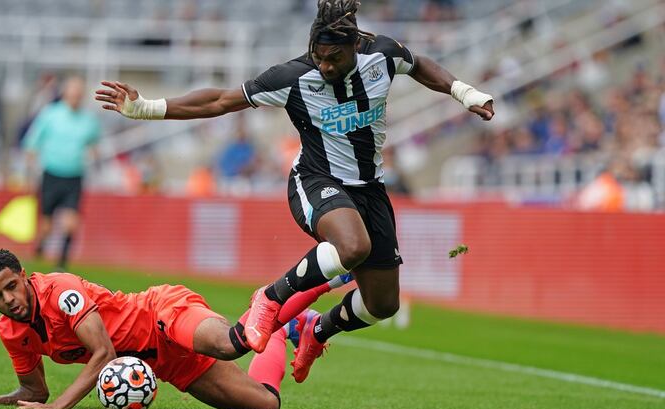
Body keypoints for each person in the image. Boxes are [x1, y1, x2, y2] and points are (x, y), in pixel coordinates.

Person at [95, 0, 494, 382]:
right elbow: (219, 100)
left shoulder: (383, 56)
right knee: (353, 247)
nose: (324, 65)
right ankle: (270, 298)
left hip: (370, 188)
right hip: (316, 180)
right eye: (318, 56)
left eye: (333, 58)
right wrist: (145, 108)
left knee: (383, 305)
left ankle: (316, 332)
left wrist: (463, 92)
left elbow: (420, 64)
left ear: (355, 46)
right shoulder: (293, 77)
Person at [0, 249, 349, 409]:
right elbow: (34, 393)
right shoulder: (12, 332)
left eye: (11, 287)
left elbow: (103, 353)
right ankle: (287, 327)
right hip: (165, 365)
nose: (8, 300)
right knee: (267, 405)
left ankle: (316, 280)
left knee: (231, 344)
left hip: (162, 313)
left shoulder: (60, 291)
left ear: (23, 276)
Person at [23, 76, 101, 271]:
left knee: (70, 222)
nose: (75, 96)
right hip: (52, 173)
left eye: (79, 93)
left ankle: (62, 263)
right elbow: (32, 142)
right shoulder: (50, 114)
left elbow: (94, 144)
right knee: (47, 224)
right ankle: (41, 246)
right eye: (72, 92)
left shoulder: (89, 120)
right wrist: (30, 167)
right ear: (65, 93)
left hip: (74, 176)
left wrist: (94, 157)